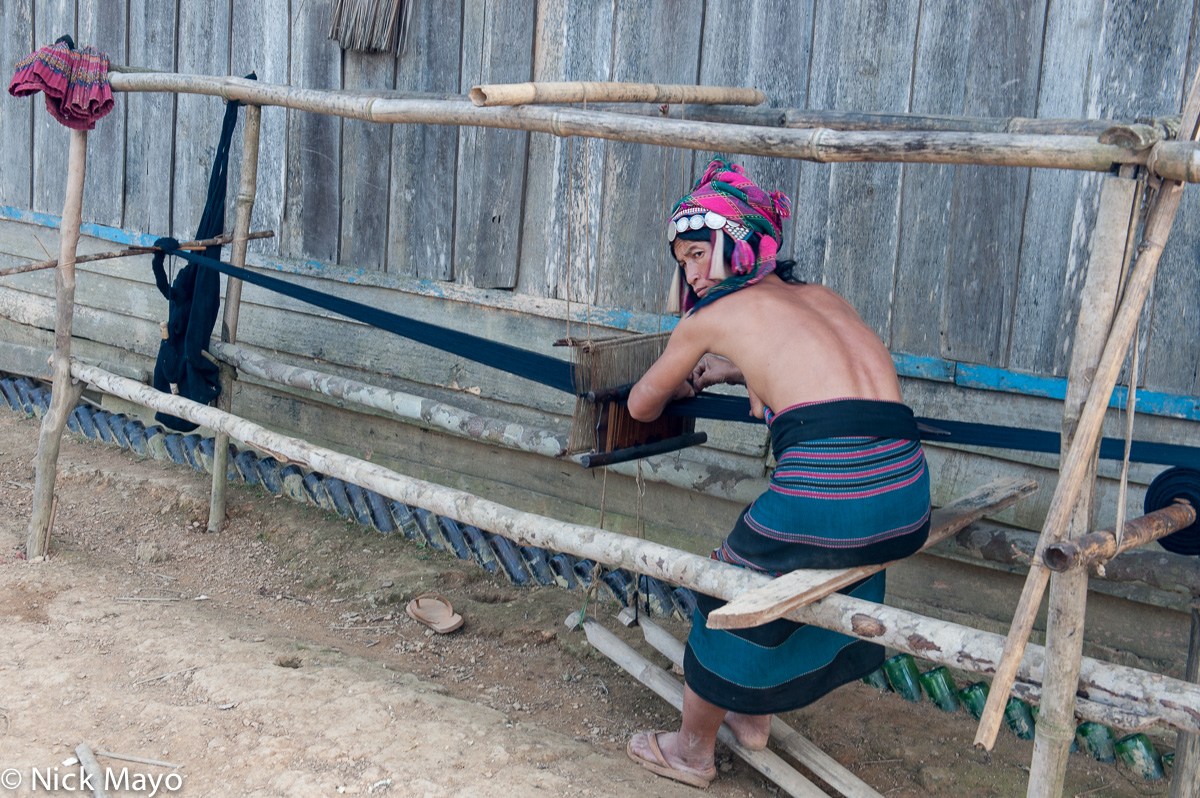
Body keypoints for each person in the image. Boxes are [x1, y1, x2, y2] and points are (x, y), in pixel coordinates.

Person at [625, 159, 932, 789]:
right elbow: (812, 374)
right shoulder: (821, 297)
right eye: (683, 260)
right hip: (907, 490)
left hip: (833, 489)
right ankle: (751, 713)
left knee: (728, 588)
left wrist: (692, 363)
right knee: (793, 576)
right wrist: (737, 371)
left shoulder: (708, 318)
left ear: (736, 242)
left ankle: (690, 749)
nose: (692, 271)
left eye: (698, 252)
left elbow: (641, 405)